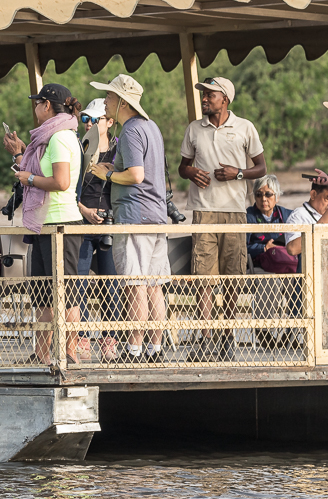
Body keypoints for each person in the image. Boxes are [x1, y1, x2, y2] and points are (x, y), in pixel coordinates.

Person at [179, 77, 267, 361]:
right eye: (203, 95)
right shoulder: (194, 128)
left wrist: (237, 173)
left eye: (209, 95)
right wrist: (191, 173)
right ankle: (206, 337)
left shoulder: (245, 127)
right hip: (203, 211)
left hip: (235, 211)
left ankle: (227, 335)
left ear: (225, 99)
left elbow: (261, 167)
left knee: (232, 276)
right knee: (203, 277)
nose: (204, 99)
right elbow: (182, 167)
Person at [89, 74, 171, 363]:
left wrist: (106, 173)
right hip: (156, 216)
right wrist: (115, 166)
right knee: (154, 285)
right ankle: (154, 349)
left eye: (109, 97)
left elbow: (136, 176)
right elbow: (142, 168)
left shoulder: (132, 131)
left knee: (135, 284)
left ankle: (135, 349)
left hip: (135, 216)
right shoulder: (151, 128)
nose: (105, 103)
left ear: (123, 101)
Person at [3, 84, 84, 366]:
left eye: (37, 103)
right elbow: (41, 168)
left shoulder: (60, 137)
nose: (34, 108)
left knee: (67, 294)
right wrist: (21, 156)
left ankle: (69, 354)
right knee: (44, 295)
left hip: (60, 222)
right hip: (44, 223)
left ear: (46, 105)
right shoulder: (50, 138)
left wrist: (29, 180)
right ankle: (42, 353)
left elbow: (60, 182)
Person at [75, 99, 121, 359]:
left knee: (110, 284)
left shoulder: (119, 151)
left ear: (110, 122)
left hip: (109, 223)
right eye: (85, 119)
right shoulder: (77, 148)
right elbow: (67, 189)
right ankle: (80, 337)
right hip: (81, 221)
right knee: (78, 282)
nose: (89, 124)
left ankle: (110, 338)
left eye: (95, 119)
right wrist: (84, 211)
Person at [245, 174, 296, 346]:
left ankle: (294, 330)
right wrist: (263, 248)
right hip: (257, 266)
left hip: (284, 265)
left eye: (268, 194)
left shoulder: (287, 215)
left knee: (296, 280)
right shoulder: (247, 217)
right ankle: (263, 330)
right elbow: (240, 249)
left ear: (277, 196)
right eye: (258, 194)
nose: (263, 199)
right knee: (270, 280)